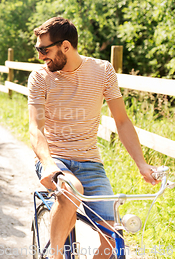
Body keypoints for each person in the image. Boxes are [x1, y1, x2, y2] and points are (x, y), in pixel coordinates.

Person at [28, 17, 157, 259]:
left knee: (113, 244)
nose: (40, 56)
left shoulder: (102, 70)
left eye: (44, 50)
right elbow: (35, 128)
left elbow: (122, 121)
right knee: (72, 189)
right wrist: (48, 164)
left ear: (65, 46)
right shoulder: (40, 78)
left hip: (91, 164)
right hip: (56, 160)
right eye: (38, 49)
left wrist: (142, 165)